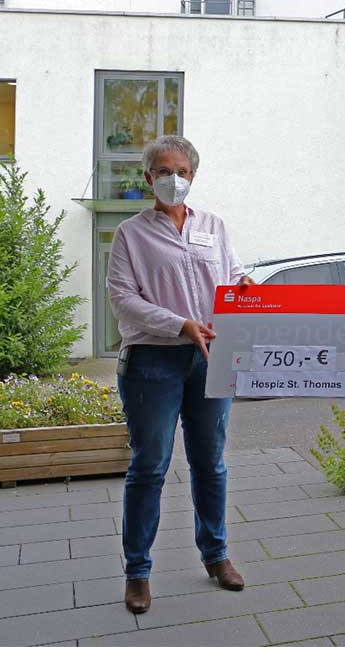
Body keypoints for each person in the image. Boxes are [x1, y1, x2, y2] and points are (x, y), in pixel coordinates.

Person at [107, 135, 252, 615]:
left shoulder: (214, 225)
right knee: (149, 467)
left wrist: (246, 285)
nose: (175, 179)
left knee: (210, 464)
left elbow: (231, 278)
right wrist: (179, 325)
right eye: (165, 171)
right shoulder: (130, 234)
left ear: (194, 176)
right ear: (148, 178)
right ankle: (138, 572)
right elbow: (124, 299)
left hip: (210, 357)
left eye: (183, 171)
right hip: (153, 360)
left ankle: (216, 555)